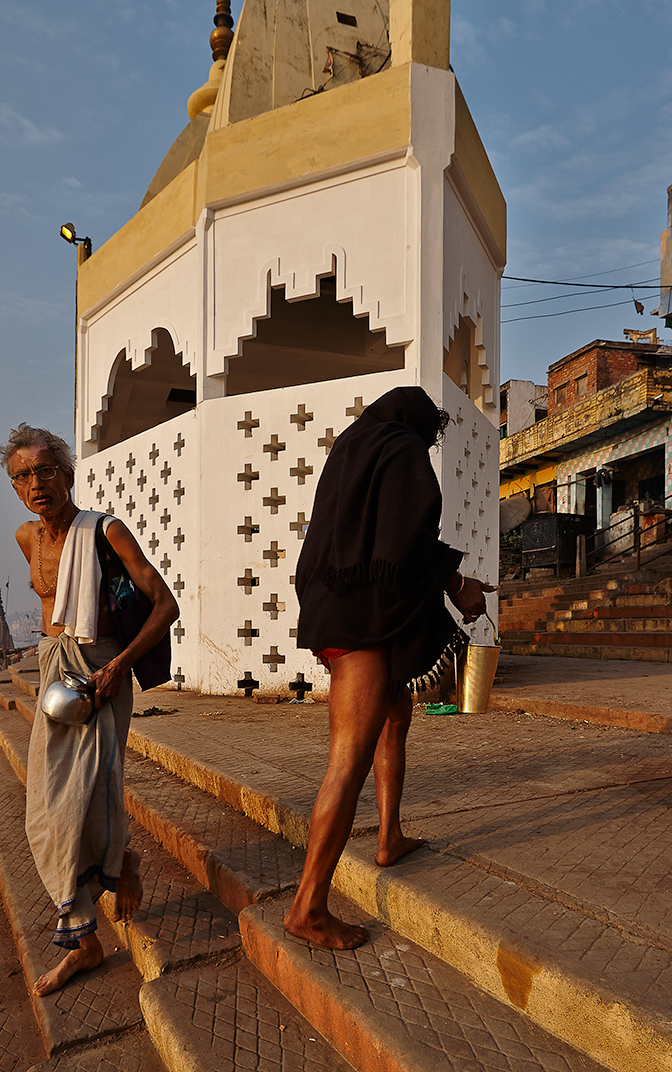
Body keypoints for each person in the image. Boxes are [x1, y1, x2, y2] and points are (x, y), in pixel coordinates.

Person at [286, 387, 493, 949]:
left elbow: (368, 537)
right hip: (361, 622)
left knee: (395, 712)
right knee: (348, 759)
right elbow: (405, 540)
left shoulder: (353, 447)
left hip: (336, 607)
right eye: (432, 433)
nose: (429, 443)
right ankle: (308, 907)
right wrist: (459, 584)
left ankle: (390, 836)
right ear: (419, 425)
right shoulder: (401, 449)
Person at [1, 422, 176, 997]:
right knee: (46, 809)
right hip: (56, 674)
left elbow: (164, 605)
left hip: (102, 675)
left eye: (44, 470)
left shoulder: (106, 532)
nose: (35, 484)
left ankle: (87, 933)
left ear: (67, 473)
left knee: (88, 795)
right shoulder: (27, 538)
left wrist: (119, 666)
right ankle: (93, 922)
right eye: (22, 476)